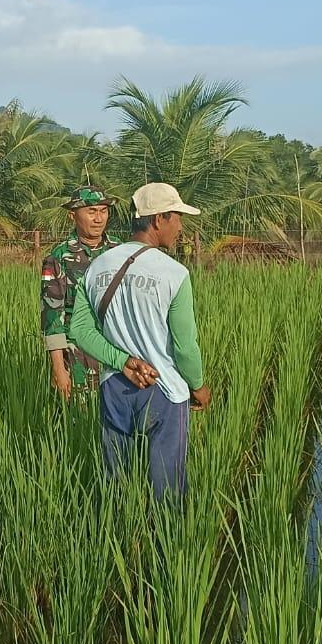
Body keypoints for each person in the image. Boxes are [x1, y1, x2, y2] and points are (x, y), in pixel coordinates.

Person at [68, 183, 211, 504]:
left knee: (116, 484)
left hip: (115, 387)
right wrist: (199, 386)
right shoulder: (174, 273)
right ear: (159, 219)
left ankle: (116, 530)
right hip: (165, 391)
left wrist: (122, 362)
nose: (181, 227)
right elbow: (185, 347)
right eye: (177, 217)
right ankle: (166, 534)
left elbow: (79, 330)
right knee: (167, 489)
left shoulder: (96, 267)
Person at [41, 185, 122, 400]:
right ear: (72, 215)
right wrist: (58, 368)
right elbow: (52, 314)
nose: (99, 218)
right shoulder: (58, 257)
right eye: (91, 211)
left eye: (103, 211)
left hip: (117, 351)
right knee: (79, 413)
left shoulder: (120, 252)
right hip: (77, 355)